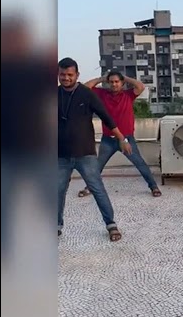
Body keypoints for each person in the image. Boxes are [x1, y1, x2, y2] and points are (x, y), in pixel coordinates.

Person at [57, 57, 132, 241]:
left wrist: (122, 138)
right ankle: (56, 225)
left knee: (97, 189)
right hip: (60, 155)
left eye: (69, 74)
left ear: (77, 75)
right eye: (62, 74)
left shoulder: (86, 94)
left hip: (85, 154)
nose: (66, 78)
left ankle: (111, 224)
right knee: (57, 191)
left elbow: (106, 117)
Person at [78, 70, 162, 198]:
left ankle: (153, 187)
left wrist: (125, 77)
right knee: (98, 165)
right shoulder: (102, 94)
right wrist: (102, 78)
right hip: (108, 140)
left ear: (122, 83)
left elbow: (140, 86)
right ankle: (89, 187)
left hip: (126, 139)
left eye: (117, 81)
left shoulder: (128, 95)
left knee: (140, 163)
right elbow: (85, 88)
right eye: (111, 82)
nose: (114, 84)